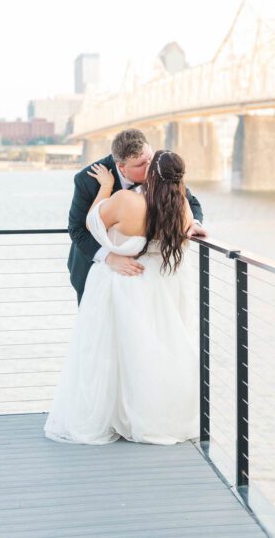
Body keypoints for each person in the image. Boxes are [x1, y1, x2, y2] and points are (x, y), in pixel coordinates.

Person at [45, 150, 201, 444]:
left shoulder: (127, 201)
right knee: (147, 351)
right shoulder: (182, 209)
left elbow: (91, 224)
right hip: (157, 286)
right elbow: (185, 232)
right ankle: (145, 416)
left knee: (107, 351)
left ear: (151, 173)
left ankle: (109, 415)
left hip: (120, 283)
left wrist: (105, 188)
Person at [67, 129, 206, 303]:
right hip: (94, 269)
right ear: (121, 167)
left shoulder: (158, 169)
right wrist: (110, 258)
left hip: (148, 276)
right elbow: (77, 229)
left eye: (150, 157)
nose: (150, 167)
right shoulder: (87, 180)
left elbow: (191, 202)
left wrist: (194, 223)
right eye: (141, 164)